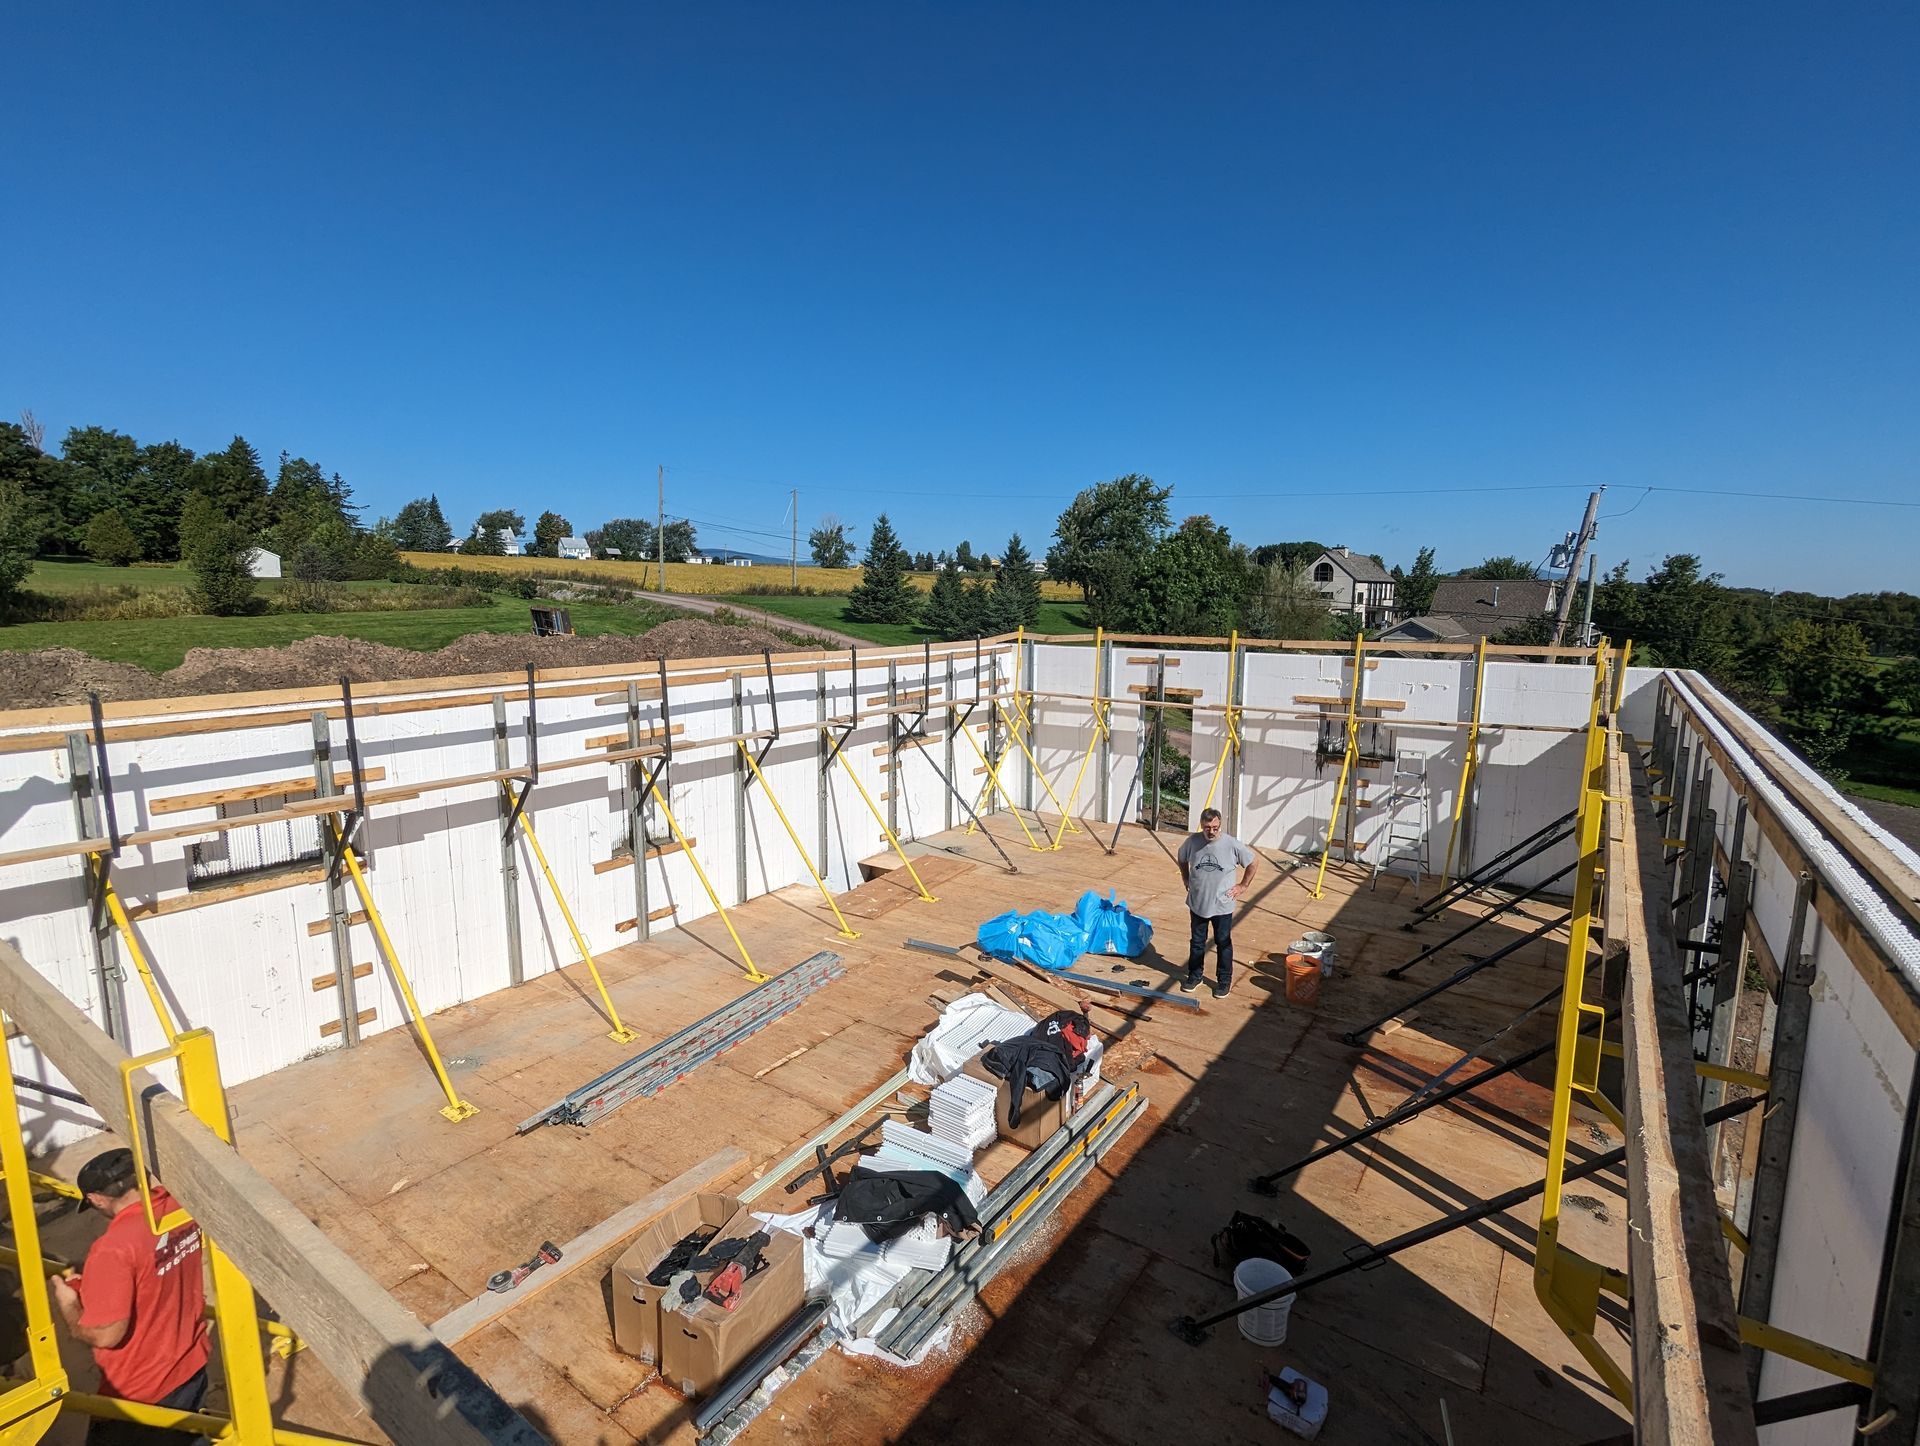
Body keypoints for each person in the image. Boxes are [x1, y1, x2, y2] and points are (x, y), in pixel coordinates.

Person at [50, 1148, 209, 1444]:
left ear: (96, 1199)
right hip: (191, 1364)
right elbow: (151, 1268)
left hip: (141, 1393)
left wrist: (70, 1304)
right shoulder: (179, 1207)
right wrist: (101, 1284)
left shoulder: (112, 1249)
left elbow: (106, 1335)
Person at [1176, 807, 1257, 997]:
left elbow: (1253, 862)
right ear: (1201, 825)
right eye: (1207, 828)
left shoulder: (1231, 844)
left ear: (1219, 824)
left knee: (1223, 942)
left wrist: (1242, 886)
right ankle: (1195, 976)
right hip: (1198, 903)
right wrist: (1185, 877)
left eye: (1215, 827)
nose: (1211, 832)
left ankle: (1224, 980)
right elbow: (1181, 858)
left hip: (1222, 905)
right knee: (1197, 942)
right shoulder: (1193, 842)